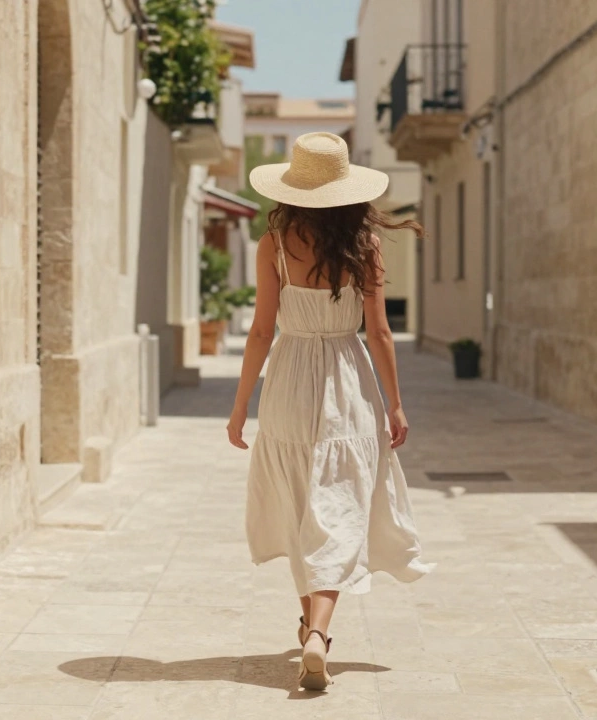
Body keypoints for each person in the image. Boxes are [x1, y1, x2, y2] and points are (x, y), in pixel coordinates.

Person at [226, 132, 434, 691]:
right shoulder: (365, 244)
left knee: (299, 505)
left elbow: (262, 331)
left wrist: (240, 405)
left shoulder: (272, 242)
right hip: (347, 380)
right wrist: (394, 402)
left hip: (290, 380)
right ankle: (318, 632)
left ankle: (307, 627)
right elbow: (380, 333)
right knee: (337, 507)